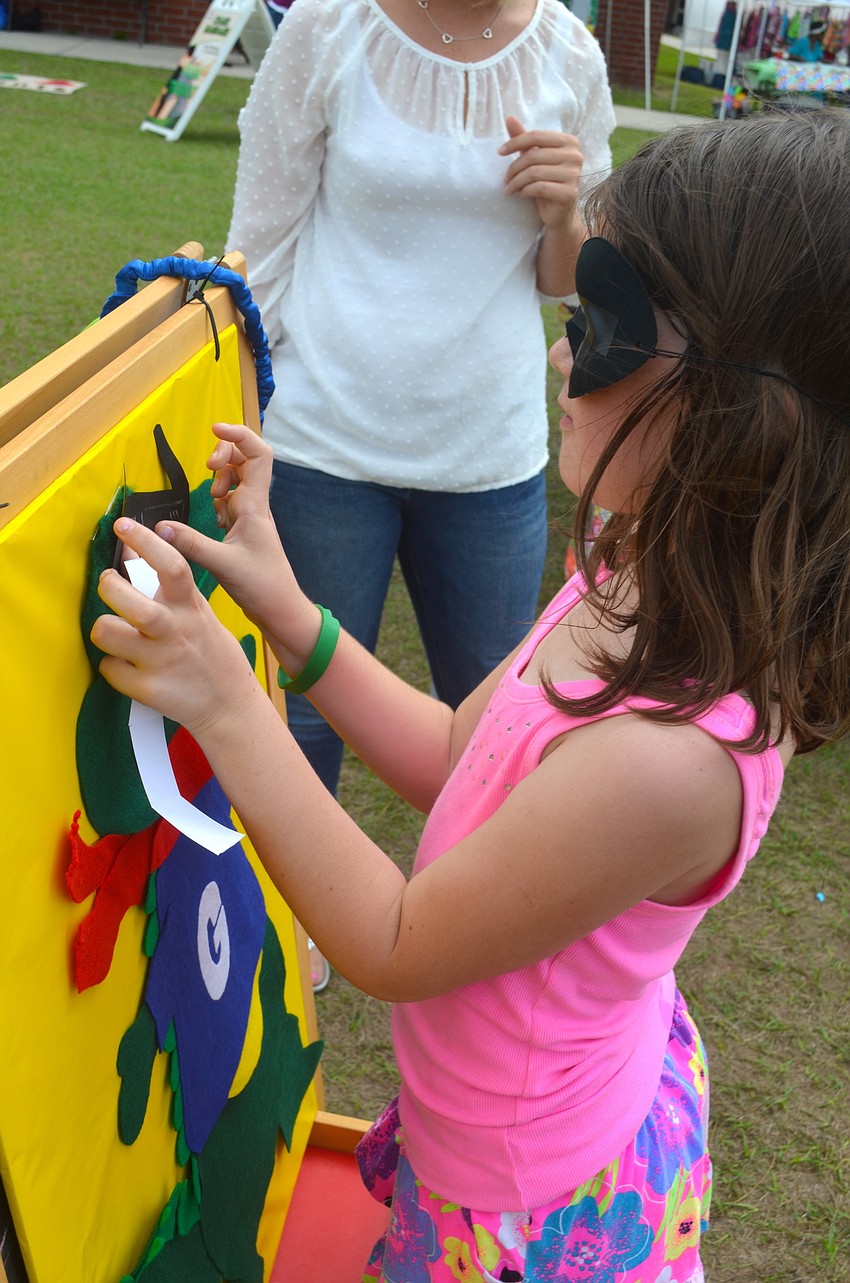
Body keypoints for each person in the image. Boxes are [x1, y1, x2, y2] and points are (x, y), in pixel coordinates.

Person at [92, 110, 850, 1280]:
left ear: (735, 410)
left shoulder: (673, 757)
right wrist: (289, 612)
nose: (559, 357)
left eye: (599, 332)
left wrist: (226, 702)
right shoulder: (626, 558)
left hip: (525, 1201)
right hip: (520, 1104)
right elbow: (462, 747)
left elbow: (396, 941)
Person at [225, 0, 617, 793]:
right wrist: (237, 411)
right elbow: (257, 248)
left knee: (500, 737)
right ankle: (297, 925)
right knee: (299, 726)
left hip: (488, 458)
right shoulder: (327, 27)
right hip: (320, 446)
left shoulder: (571, 51)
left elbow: (568, 281)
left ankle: (473, 919)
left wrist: (564, 212)